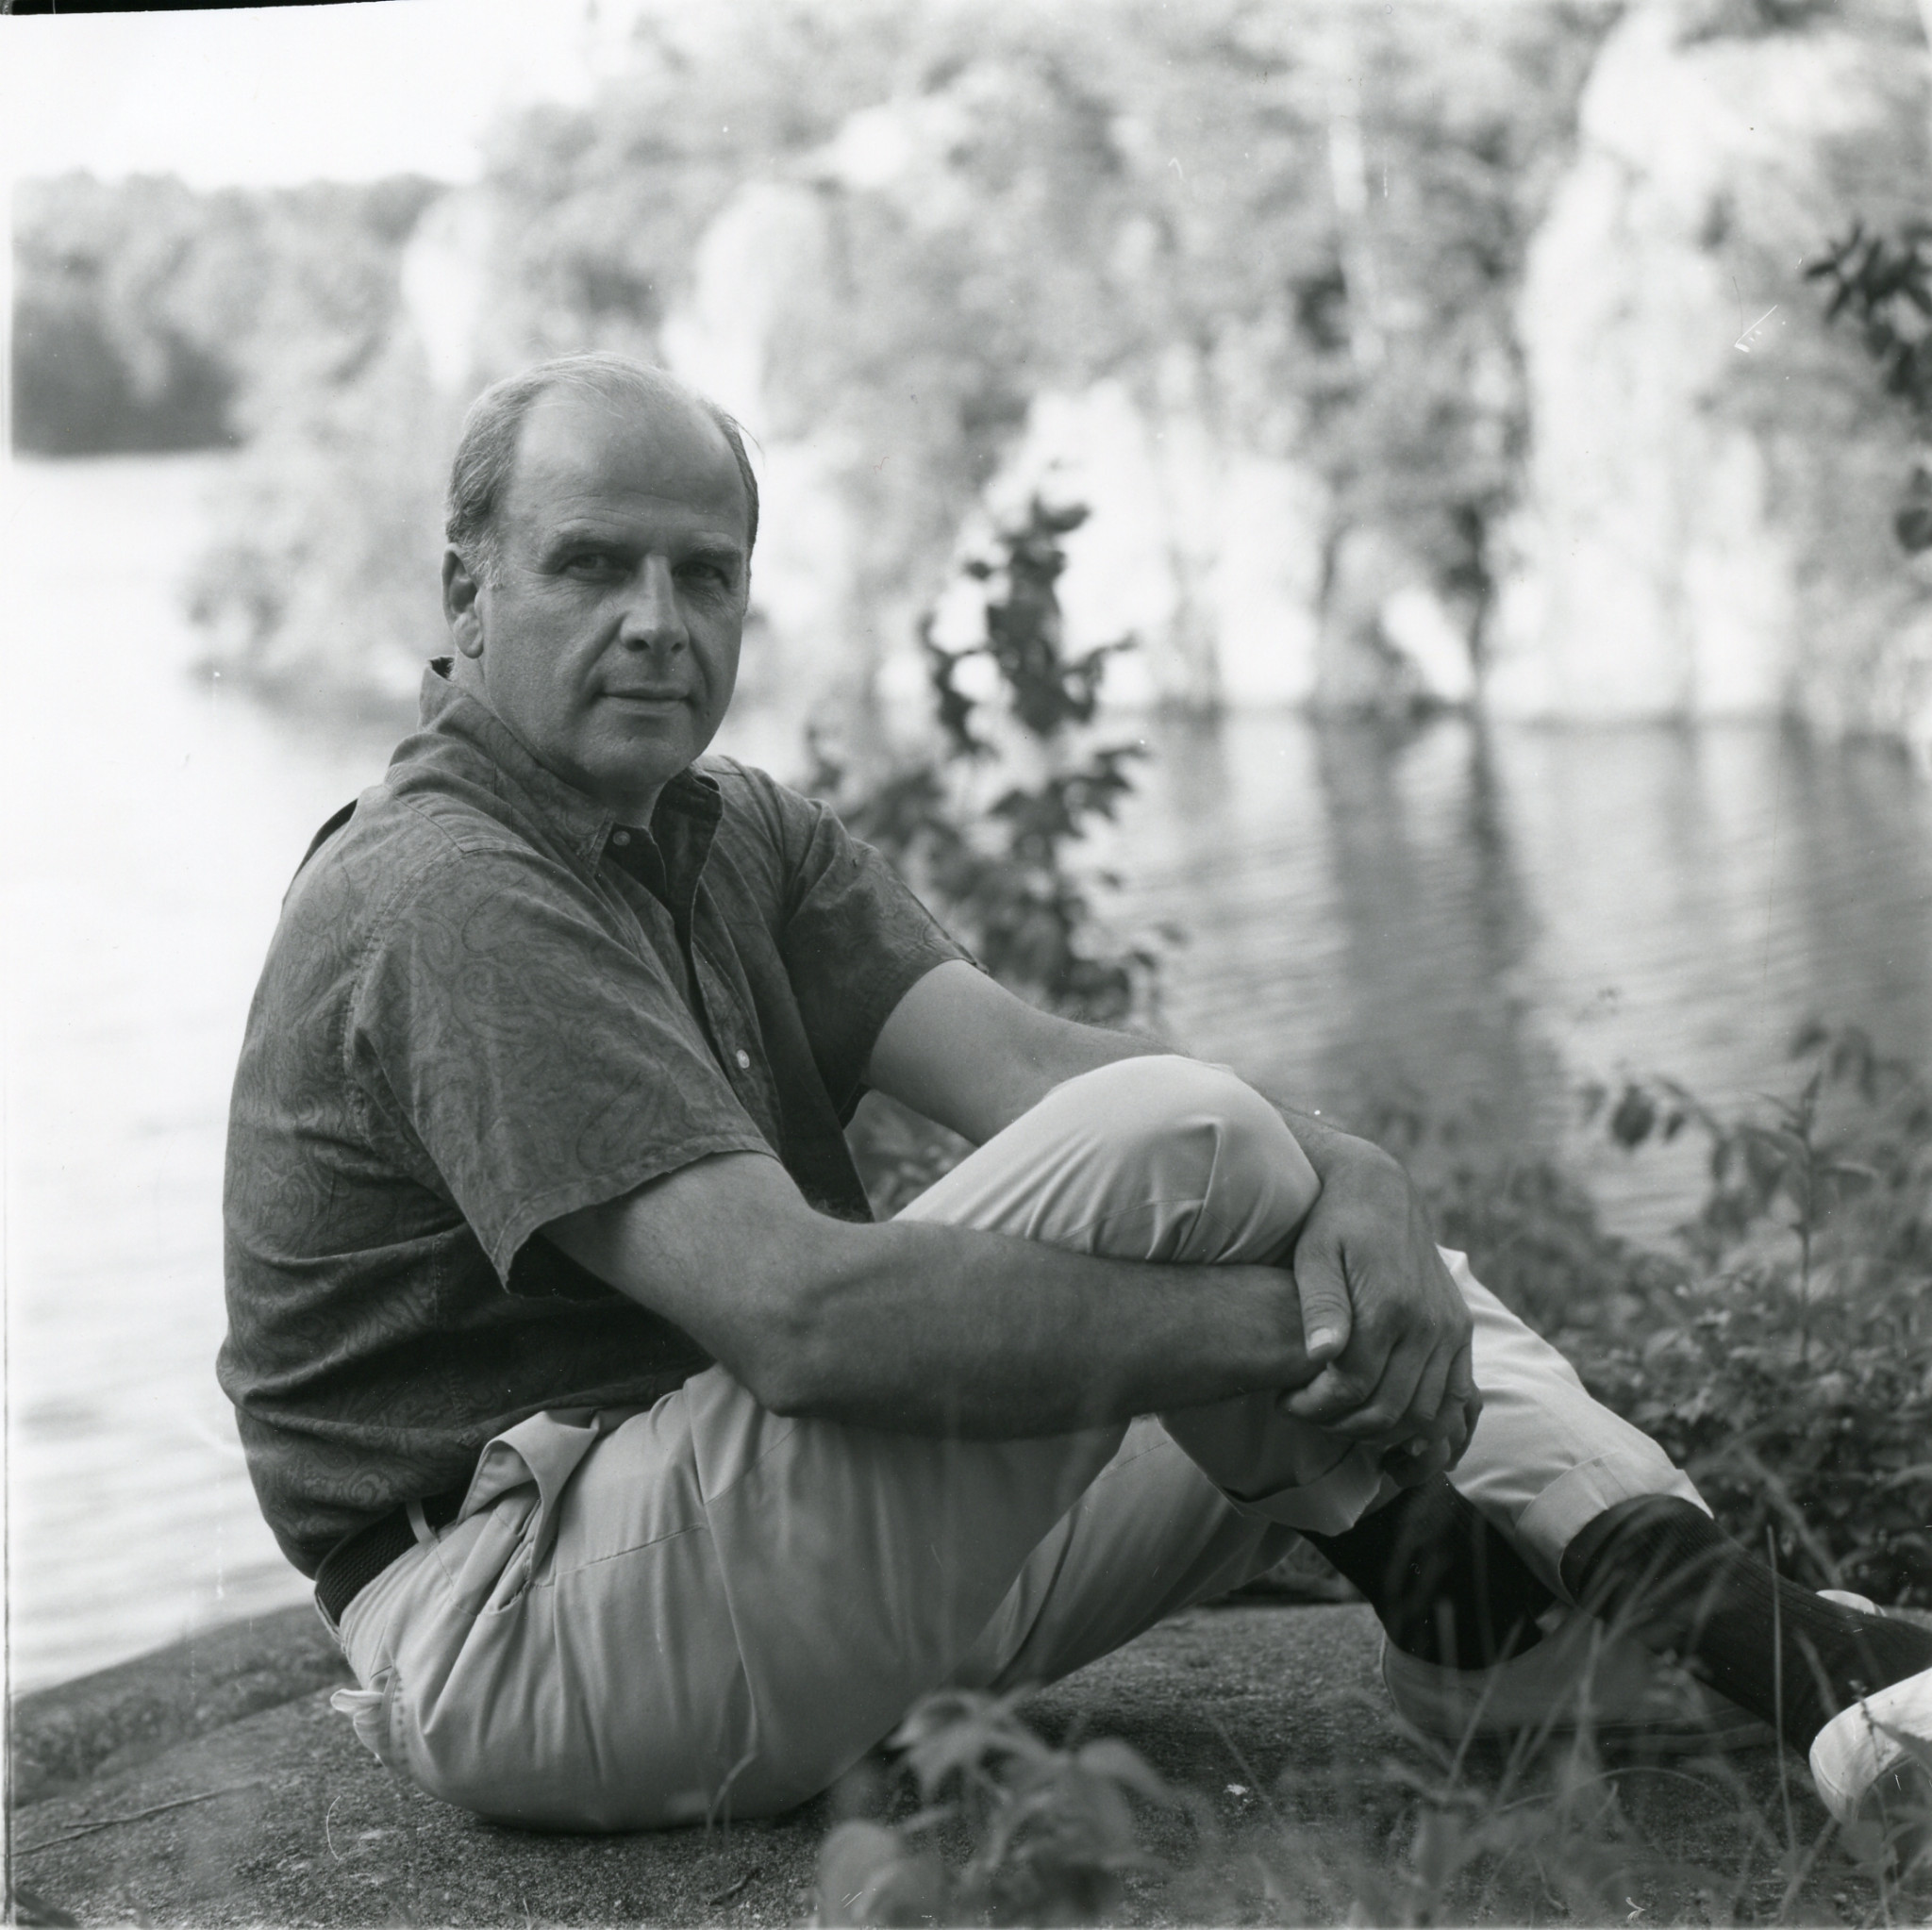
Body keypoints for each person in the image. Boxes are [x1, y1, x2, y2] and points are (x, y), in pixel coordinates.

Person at [219, 352, 1931, 1863]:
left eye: (705, 573)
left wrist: (1354, 1179)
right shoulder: (453, 889)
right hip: (523, 1635)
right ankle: (1767, 1655)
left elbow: (1036, 1071)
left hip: (740, 1558)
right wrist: (1292, 1318)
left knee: (1309, 1212)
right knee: (1198, 1161)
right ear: (468, 589)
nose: (658, 619)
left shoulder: (728, 827)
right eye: (592, 565)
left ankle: (1545, 1636)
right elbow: (801, 1320)